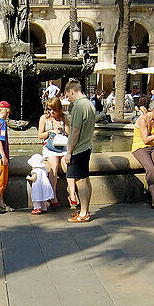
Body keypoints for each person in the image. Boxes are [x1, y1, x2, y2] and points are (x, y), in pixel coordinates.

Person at [64, 79, 96, 223]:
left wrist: (69, 152)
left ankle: (84, 213)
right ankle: (85, 210)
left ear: (72, 91)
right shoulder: (89, 104)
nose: (68, 99)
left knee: (80, 181)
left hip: (78, 149)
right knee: (85, 179)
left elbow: (75, 131)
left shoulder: (78, 106)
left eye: (68, 96)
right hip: (87, 146)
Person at [37, 96, 69, 208]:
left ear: (59, 108)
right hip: (50, 147)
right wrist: (50, 132)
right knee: (54, 166)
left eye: (53, 109)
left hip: (62, 146)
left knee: (67, 164)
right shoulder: (44, 118)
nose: (51, 112)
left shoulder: (64, 118)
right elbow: (40, 135)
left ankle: (73, 194)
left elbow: (69, 134)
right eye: (49, 109)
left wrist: (61, 129)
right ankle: (52, 196)